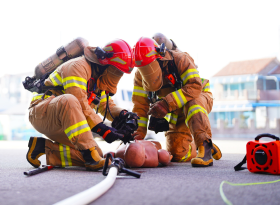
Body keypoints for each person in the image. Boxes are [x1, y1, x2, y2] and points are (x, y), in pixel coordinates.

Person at [26, 39, 135, 170]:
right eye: (117, 70)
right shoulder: (78, 66)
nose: (118, 75)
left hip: (66, 120)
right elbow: (78, 101)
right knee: (70, 100)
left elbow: (106, 106)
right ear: (105, 64)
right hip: (41, 113)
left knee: (95, 153)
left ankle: (42, 147)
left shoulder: (98, 80)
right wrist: (102, 129)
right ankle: (90, 157)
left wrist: (123, 114)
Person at [131, 37, 222, 167]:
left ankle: (205, 147)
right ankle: (199, 144)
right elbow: (140, 106)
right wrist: (138, 133)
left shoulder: (181, 59)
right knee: (177, 154)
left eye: (149, 65)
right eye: (142, 67)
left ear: (159, 56)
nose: (146, 71)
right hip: (175, 108)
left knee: (193, 103)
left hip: (199, 96)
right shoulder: (139, 76)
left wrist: (165, 104)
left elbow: (194, 86)